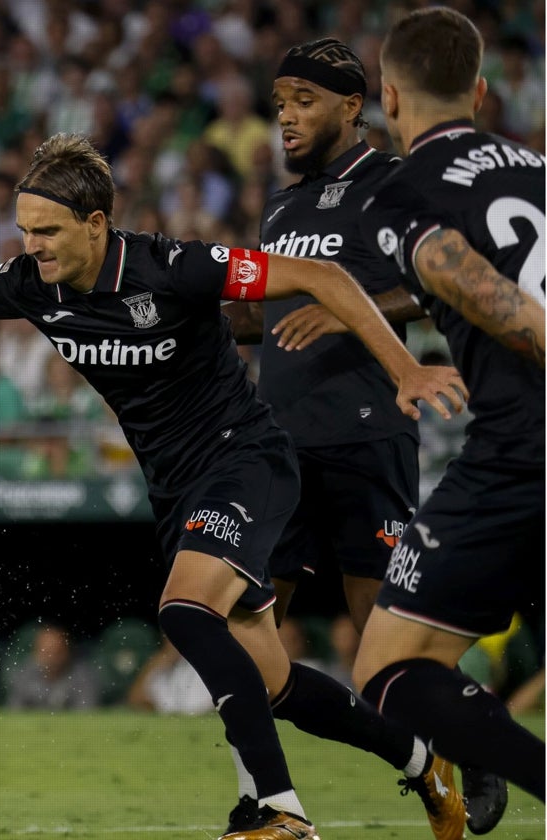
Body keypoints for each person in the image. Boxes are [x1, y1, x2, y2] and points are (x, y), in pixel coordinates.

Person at [0, 132, 468, 840]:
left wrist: (406, 370)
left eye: (45, 232)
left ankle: (274, 810)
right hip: (174, 487)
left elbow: (320, 275)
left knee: (185, 611)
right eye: (23, 230)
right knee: (270, 684)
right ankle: (419, 763)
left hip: (246, 460)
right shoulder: (29, 285)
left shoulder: (173, 267)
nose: (28, 247)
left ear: (97, 223)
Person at [223, 37, 504, 839]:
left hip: (365, 436)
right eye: (278, 103)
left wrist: (353, 304)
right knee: (245, 626)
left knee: (380, 645)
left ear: (354, 106)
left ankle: (467, 738)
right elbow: (260, 316)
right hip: (278, 446)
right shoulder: (283, 206)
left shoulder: (392, 183)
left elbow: (454, 276)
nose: (285, 118)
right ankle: (266, 805)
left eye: (304, 101)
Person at [350, 5, 546, 821]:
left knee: (388, 672)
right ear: (481, 88)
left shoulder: (400, 189)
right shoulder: (537, 170)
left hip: (522, 451)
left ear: (388, 98)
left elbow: (463, 275)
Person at [6, 623, 101, 710]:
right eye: (46, 652)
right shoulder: (25, 675)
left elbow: (86, 715)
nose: (51, 658)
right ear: (35, 653)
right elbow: (15, 714)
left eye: (57, 652)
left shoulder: (83, 677)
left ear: (67, 652)